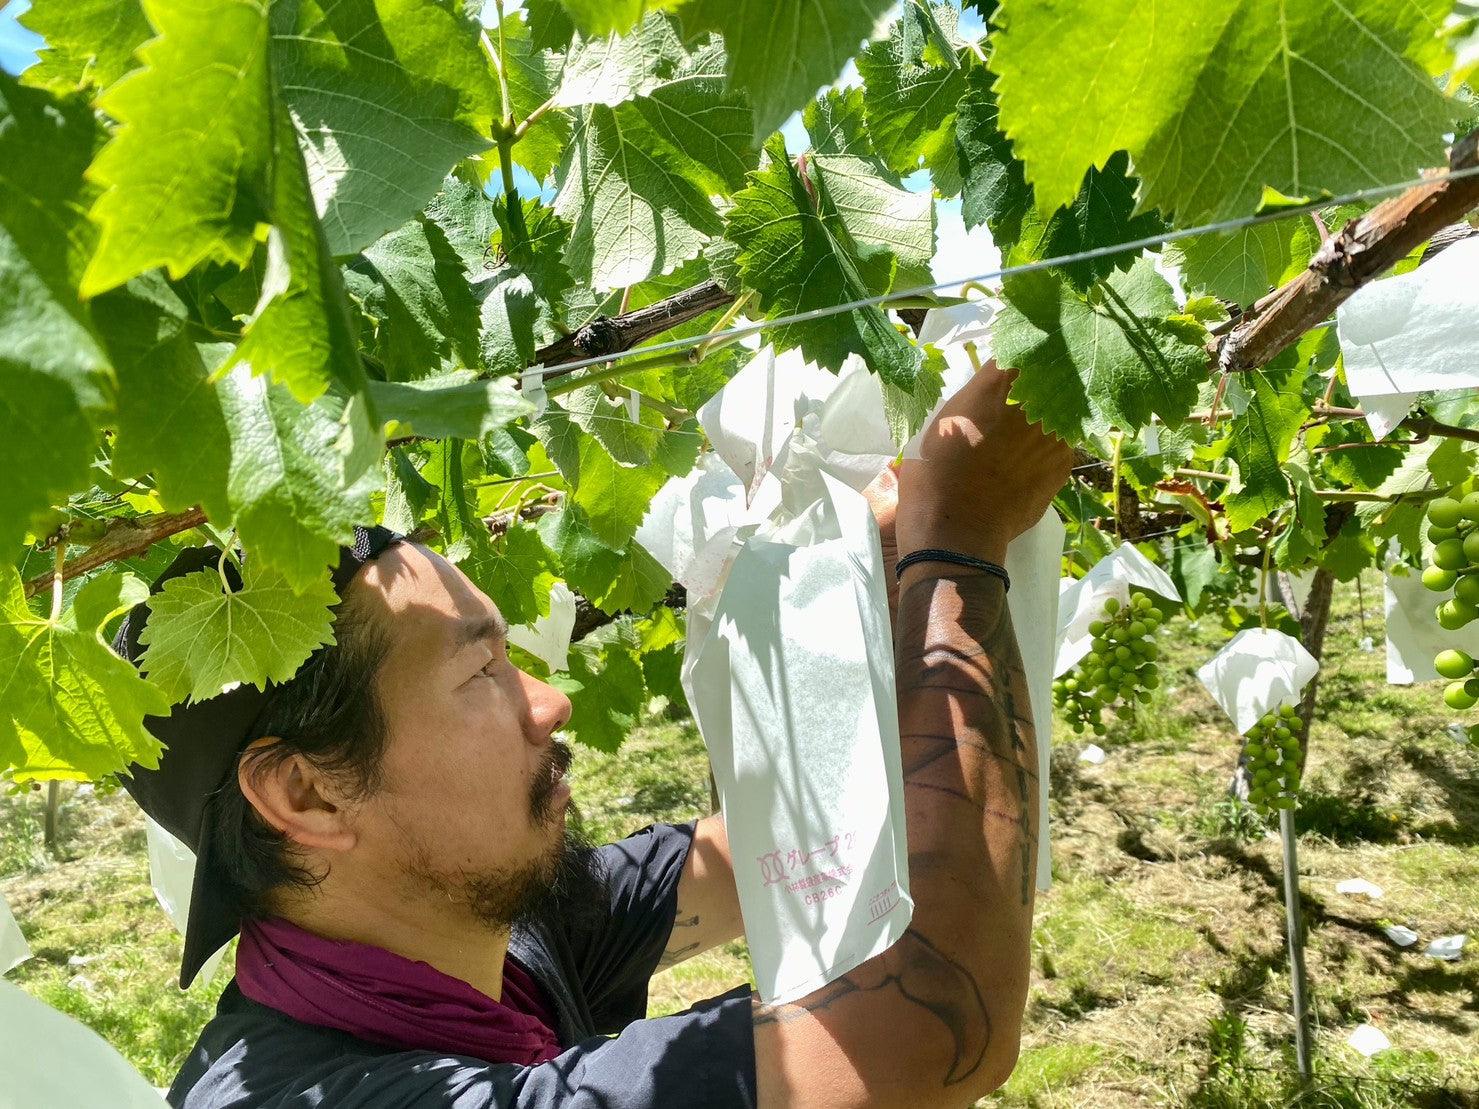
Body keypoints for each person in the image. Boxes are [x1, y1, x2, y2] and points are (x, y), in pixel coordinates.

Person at [113, 362, 1071, 1108]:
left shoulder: (489, 932)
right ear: (308, 795)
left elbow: (792, 847)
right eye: (480, 672)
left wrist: (875, 588)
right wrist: (958, 551)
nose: (549, 702)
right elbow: (933, 1034)